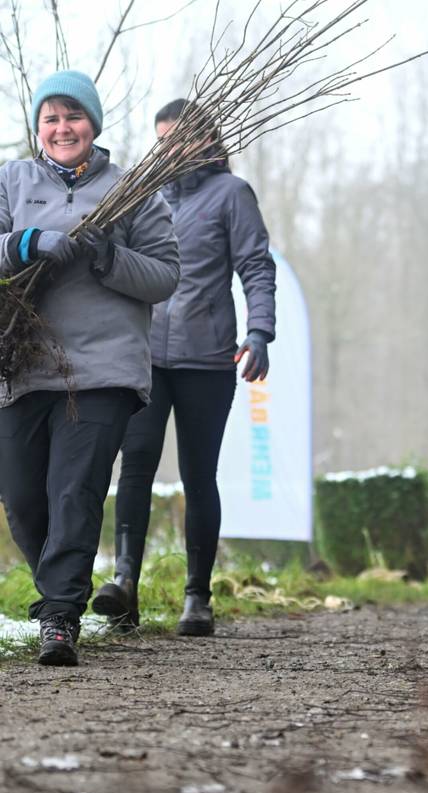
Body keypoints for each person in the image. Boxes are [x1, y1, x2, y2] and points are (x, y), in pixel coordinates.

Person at [0, 70, 179, 666]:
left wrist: (109, 256)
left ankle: (58, 616)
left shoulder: (133, 189)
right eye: (50, 118)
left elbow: (165, 276)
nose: (62, 128)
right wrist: (24, 244)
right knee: (23, 498)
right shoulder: (11, 180)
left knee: (74, 491)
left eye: (72, 116)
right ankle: (65, 586)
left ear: (93, 124)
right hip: (24, 364)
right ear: (38, 128)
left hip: (103, 369)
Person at [92, 98, 276, 637]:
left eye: (181, 139)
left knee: (199, 475)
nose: (170, 150)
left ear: (206, 141)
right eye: (162, 141)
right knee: (135, 465)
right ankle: (124, 583)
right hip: (144, 357)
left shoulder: (231, 194)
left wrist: (259, 332)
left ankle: (198, 597)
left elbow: (256, 266)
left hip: (207, 359)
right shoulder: (140, 195)